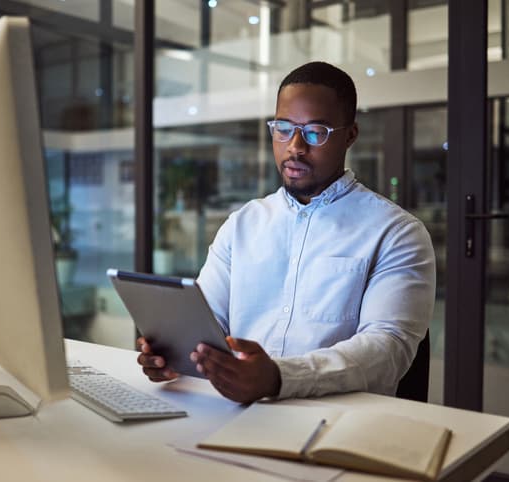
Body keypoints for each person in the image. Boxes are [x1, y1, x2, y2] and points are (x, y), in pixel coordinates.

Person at [137, 61, 436, 404]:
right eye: (283, 128)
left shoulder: (397, 233)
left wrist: (279, 378)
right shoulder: (242, 225)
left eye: (315, 132)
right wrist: (174, 353)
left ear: (350, 135)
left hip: (339, 422)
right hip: (238, 411)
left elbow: (387, 350)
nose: (295, 146)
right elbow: (206, 322)